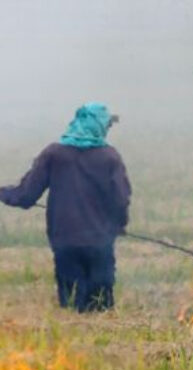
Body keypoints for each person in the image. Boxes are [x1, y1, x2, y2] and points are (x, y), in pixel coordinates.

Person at [0, 103, 131, 312]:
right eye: (106, 125)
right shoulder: (110, 157)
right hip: (100, 242)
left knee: (72, 305)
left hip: (65, 241)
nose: (107, 129)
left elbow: (26, 196)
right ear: (96, 125)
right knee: (100, 306)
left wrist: (4, 194)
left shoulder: (54, 154)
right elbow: (120, 200)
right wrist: (119, 224)